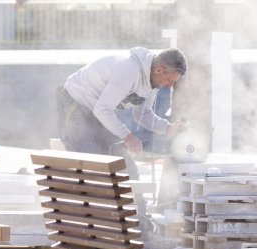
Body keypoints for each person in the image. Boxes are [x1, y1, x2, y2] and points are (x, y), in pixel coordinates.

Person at [57, 47, 188, 179]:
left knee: (126, 169)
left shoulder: (152, 83)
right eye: (169, 80)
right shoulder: (129, 70)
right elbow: (103, 109)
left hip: (99, 112)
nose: (170, 85)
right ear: (159, 69)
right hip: (76, 103)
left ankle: (136, 199)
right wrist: (128, 137)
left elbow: (143, 115)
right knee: (92, 164)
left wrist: (167, 128)